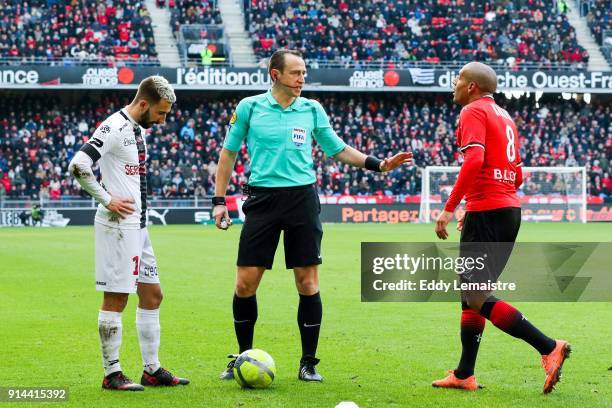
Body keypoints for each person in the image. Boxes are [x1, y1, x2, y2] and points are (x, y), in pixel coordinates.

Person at [213, 49, 412, 382]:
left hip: (301, 200)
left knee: (307, 282)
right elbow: (228, 153)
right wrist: (219, 200)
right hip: (261, 199)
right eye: (295, 73)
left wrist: (379, 164)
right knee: (245, 283)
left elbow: (338, 148)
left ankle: (308, 363)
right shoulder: (249, 107)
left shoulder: (312, 109)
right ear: (275, 75)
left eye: (304, 72)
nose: (302, 78)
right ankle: (242, 357)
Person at [432, 62, 570, 393]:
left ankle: (548, 346)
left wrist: (451, 208)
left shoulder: (472, 112)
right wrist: (478, 202)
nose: (454, 84)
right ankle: (465, 373)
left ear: (471, 87)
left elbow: (475, 160)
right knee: (471, 296)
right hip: (507, 209)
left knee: (475, 295)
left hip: (489, 212)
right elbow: (517, 174)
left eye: (458, 79)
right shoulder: (505, 116)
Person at [68, 76, 189, 391]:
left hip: (139, 226)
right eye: (160, 114)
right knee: (117, 297)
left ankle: (152, 369)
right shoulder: (113, 127)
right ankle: (112, 374)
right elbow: (79, 165)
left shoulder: (137, 130)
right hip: (118, 226)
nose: (162, 121)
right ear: (144, 104)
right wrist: (107, 198)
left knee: (152, 294)